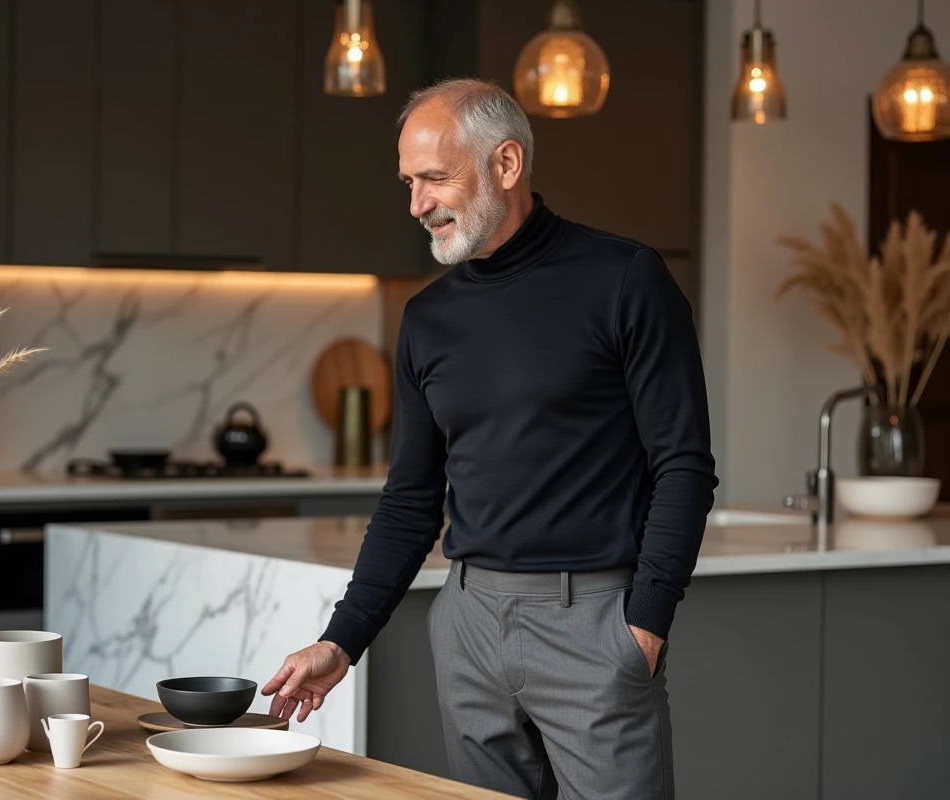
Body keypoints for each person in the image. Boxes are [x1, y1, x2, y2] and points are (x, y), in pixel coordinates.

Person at [262, 77, 718, 800]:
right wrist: (341, 640)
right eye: (409, 182)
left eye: (435, 178)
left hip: (594, 625)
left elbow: (684, 465)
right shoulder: (427, 319)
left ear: (505, 165)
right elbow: (411, 501)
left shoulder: (625, 279)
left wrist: (644, 630)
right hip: (468, 626)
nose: (416, 204)